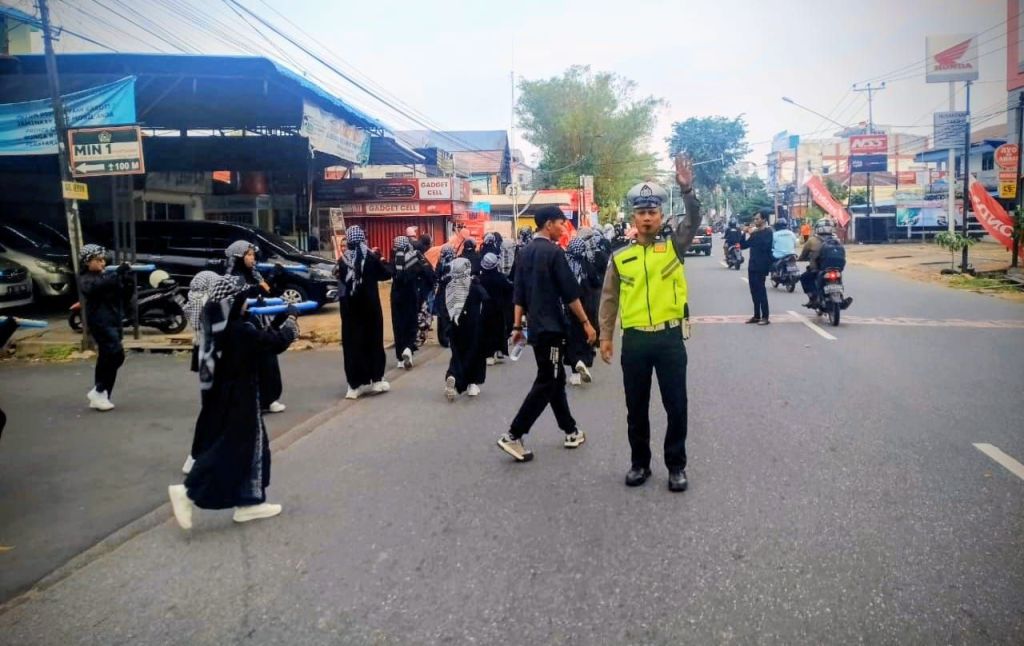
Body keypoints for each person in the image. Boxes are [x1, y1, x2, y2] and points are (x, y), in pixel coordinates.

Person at [598, 156, 700, 492]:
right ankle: (640, 463)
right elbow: (609, 299)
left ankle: (676, 466)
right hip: (636, 342)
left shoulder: (674, 246)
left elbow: (694, 220)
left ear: (660, 215)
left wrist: (687, 190)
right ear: (634, 217)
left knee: (676, 406)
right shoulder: (620, 256)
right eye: (641, 213)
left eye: (652, 212)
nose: (646, 218)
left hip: (669, 339)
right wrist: (606, 336)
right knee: (636, 408)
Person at [167, 276, 299, 530]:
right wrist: (291, 322)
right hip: (239, 397)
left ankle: (250, 502)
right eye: (242, 298)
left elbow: (260, 338)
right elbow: (272, 343)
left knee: (253, 448)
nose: (246, 302)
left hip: (226, 395)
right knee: (231, 449)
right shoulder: (237, 330)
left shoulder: (218, 323)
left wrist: (281, 316)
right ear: (232, 301)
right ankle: (188, 491)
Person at [497, 206, 595, 462]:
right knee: (547, 382)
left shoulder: (524, 252)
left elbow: (518, 293)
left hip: (536, 329)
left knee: (555, 379)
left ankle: (571, 430)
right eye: (561, 223)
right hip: (551, 328)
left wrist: (516, 327)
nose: (563, 229)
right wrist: (586, 323)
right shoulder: (554, 252)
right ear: (549, 224)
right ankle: (513, 434)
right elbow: (570, 293)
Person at [224, 240, 286, 414]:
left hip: (260, 322)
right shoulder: (233, 277)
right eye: (249, 255)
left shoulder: (254, 273)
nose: (252, 258)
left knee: (268, 359)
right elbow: (244, 295)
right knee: (250, 364)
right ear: (238, 257)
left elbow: (266, 291)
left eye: (253, 255)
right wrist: (261, 287)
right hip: (244, 326)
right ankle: (254, 401)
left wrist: (275, 279)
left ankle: (270, 398)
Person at [336, 226, 393, 399]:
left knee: (352, 346)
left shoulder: (342, 261)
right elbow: (386, 274)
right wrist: (382, 259)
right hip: (370, 310)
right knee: (373, 342)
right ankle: (377, 380)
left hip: (350, 311)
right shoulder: (370, 258)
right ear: (362, 239)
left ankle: (354, 386)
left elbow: (341, 288)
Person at [78, 244, 133, 412]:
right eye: (98, 260)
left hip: (114, 320)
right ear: (87, 262)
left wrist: (127, 279)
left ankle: (102, 394)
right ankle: (99, 390)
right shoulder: (86, 278)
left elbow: (124, 296)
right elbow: (95, 288)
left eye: (103, 260)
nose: (102, 263)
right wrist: (116, 274)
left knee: (106, 358)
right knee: (116, 354)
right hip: (100, 322)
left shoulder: (107, 276)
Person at [181, 270, 221, 474]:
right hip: (212, 363)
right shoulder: (206, 305)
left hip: (206, 362)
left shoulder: (194, 302)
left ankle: (204, 456)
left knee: (212, 411)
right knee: (211, 413)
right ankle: (196, 457)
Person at [443, 258, 489, 401]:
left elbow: (444, 308)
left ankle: (453, 375)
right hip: (472, 325)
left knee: (457, 354)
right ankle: (472, 384)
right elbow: (486, 298)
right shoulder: (473, 286)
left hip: (454, 326)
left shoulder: (450, 286)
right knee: (473, 354)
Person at [564, 237, 601, 385]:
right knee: (586, 336)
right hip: (587, 308)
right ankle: (583, 361)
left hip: (569, 308)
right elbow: (596, 282)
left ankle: (575, 373)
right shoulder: (587, 264)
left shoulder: (565, 265)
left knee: (571, 338)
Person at [389, 235, 426, 369]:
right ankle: (408, 349)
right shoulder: (414, 259)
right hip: (411, 295)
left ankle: (400, 358)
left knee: (398, 325)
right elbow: (426, 272)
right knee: (411, 323)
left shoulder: (393, 260)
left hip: (396, 296)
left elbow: (386, 273)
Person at [798, 219, 853, 309]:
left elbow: (804, 254)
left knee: (804, 278)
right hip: (837, 267)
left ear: (818, 228)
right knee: (839, 278)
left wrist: (800, 259)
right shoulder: (836, 240)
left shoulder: (812, 240)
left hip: (818, 269)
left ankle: (813, 298)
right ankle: (841, 298)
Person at [478, 252, 513, 365]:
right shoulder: (500, 277)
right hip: (499, 309)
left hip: (485, 309)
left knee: (486, 331)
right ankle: (499, 350)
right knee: (499, 329)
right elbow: (509, 289)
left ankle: (489, 355)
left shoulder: (480, 279)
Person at [740, 210, 774, 325]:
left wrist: (752, 233)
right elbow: (743, 245)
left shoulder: (768, 232)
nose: (755, 221)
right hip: (752, 265)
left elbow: (764, 245)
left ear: (764, 219)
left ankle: (765, 317)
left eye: (757, 219)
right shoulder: (755, 233)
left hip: (762, 265)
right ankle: (756, 315)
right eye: (754, 219)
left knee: (761, 291)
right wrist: (743, 233)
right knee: (753, 291)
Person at [434, 244, 456, 348]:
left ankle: (444, 339)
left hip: (442, 292)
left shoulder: (440, 263)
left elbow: (436, 276)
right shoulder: (456, 262)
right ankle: (452, 337)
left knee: (442, 315)